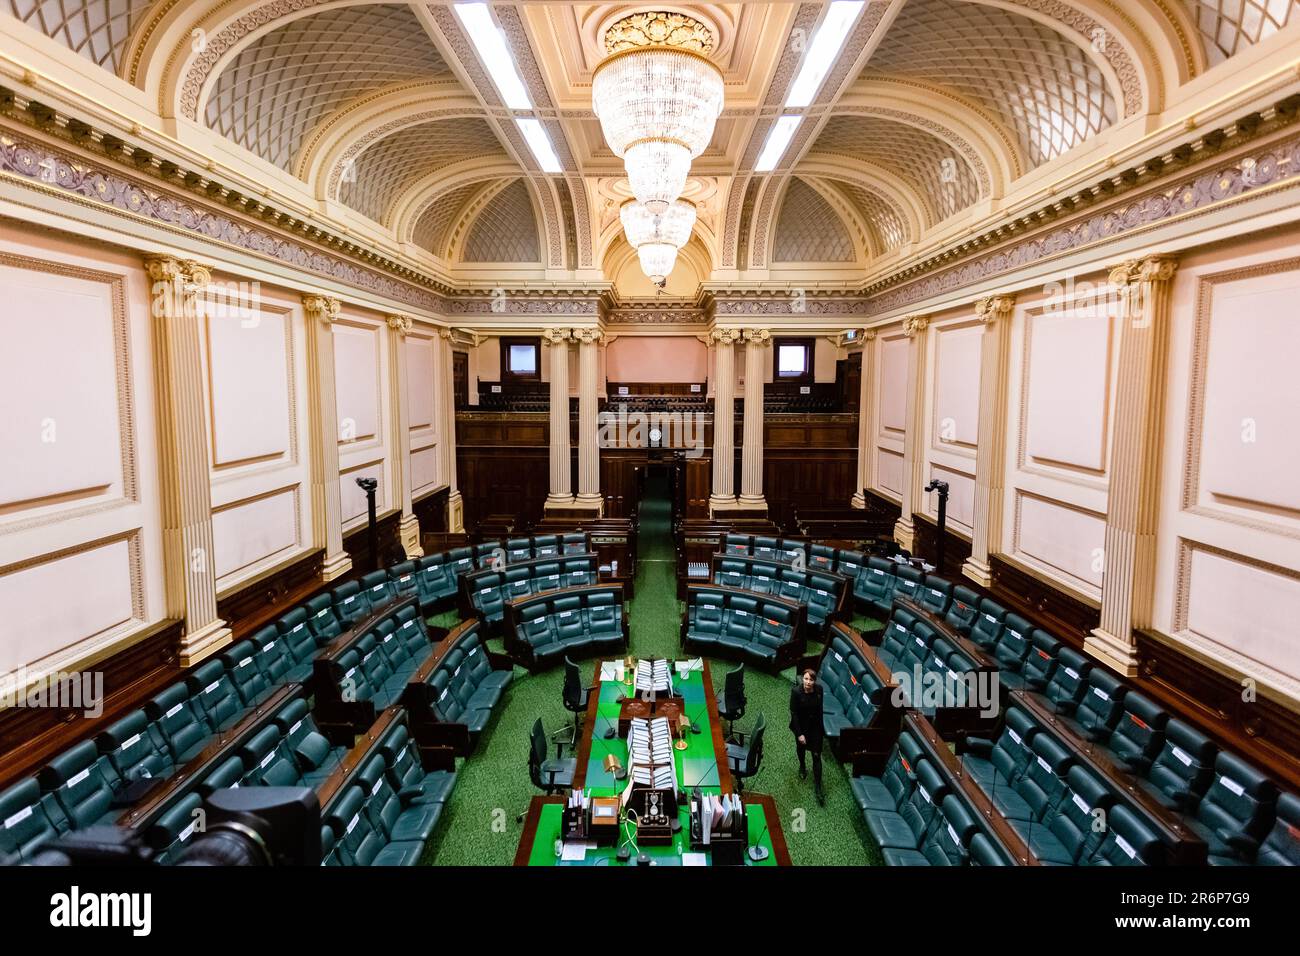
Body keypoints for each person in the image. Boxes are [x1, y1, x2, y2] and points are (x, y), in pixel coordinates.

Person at [789, 668, 825, 805]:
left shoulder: (819, 690)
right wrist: (799, 734)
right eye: (806, 679)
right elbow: (794, 714)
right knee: (801, 749)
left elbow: (820, 710)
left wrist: (821, 730)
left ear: (814, 681)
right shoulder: (796, 692)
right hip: (801, 727)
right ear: (802, 679)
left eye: (811, 680)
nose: (808, 682)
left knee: (816, 755)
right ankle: (802, 766)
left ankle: (818, 788)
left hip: (815, 728)